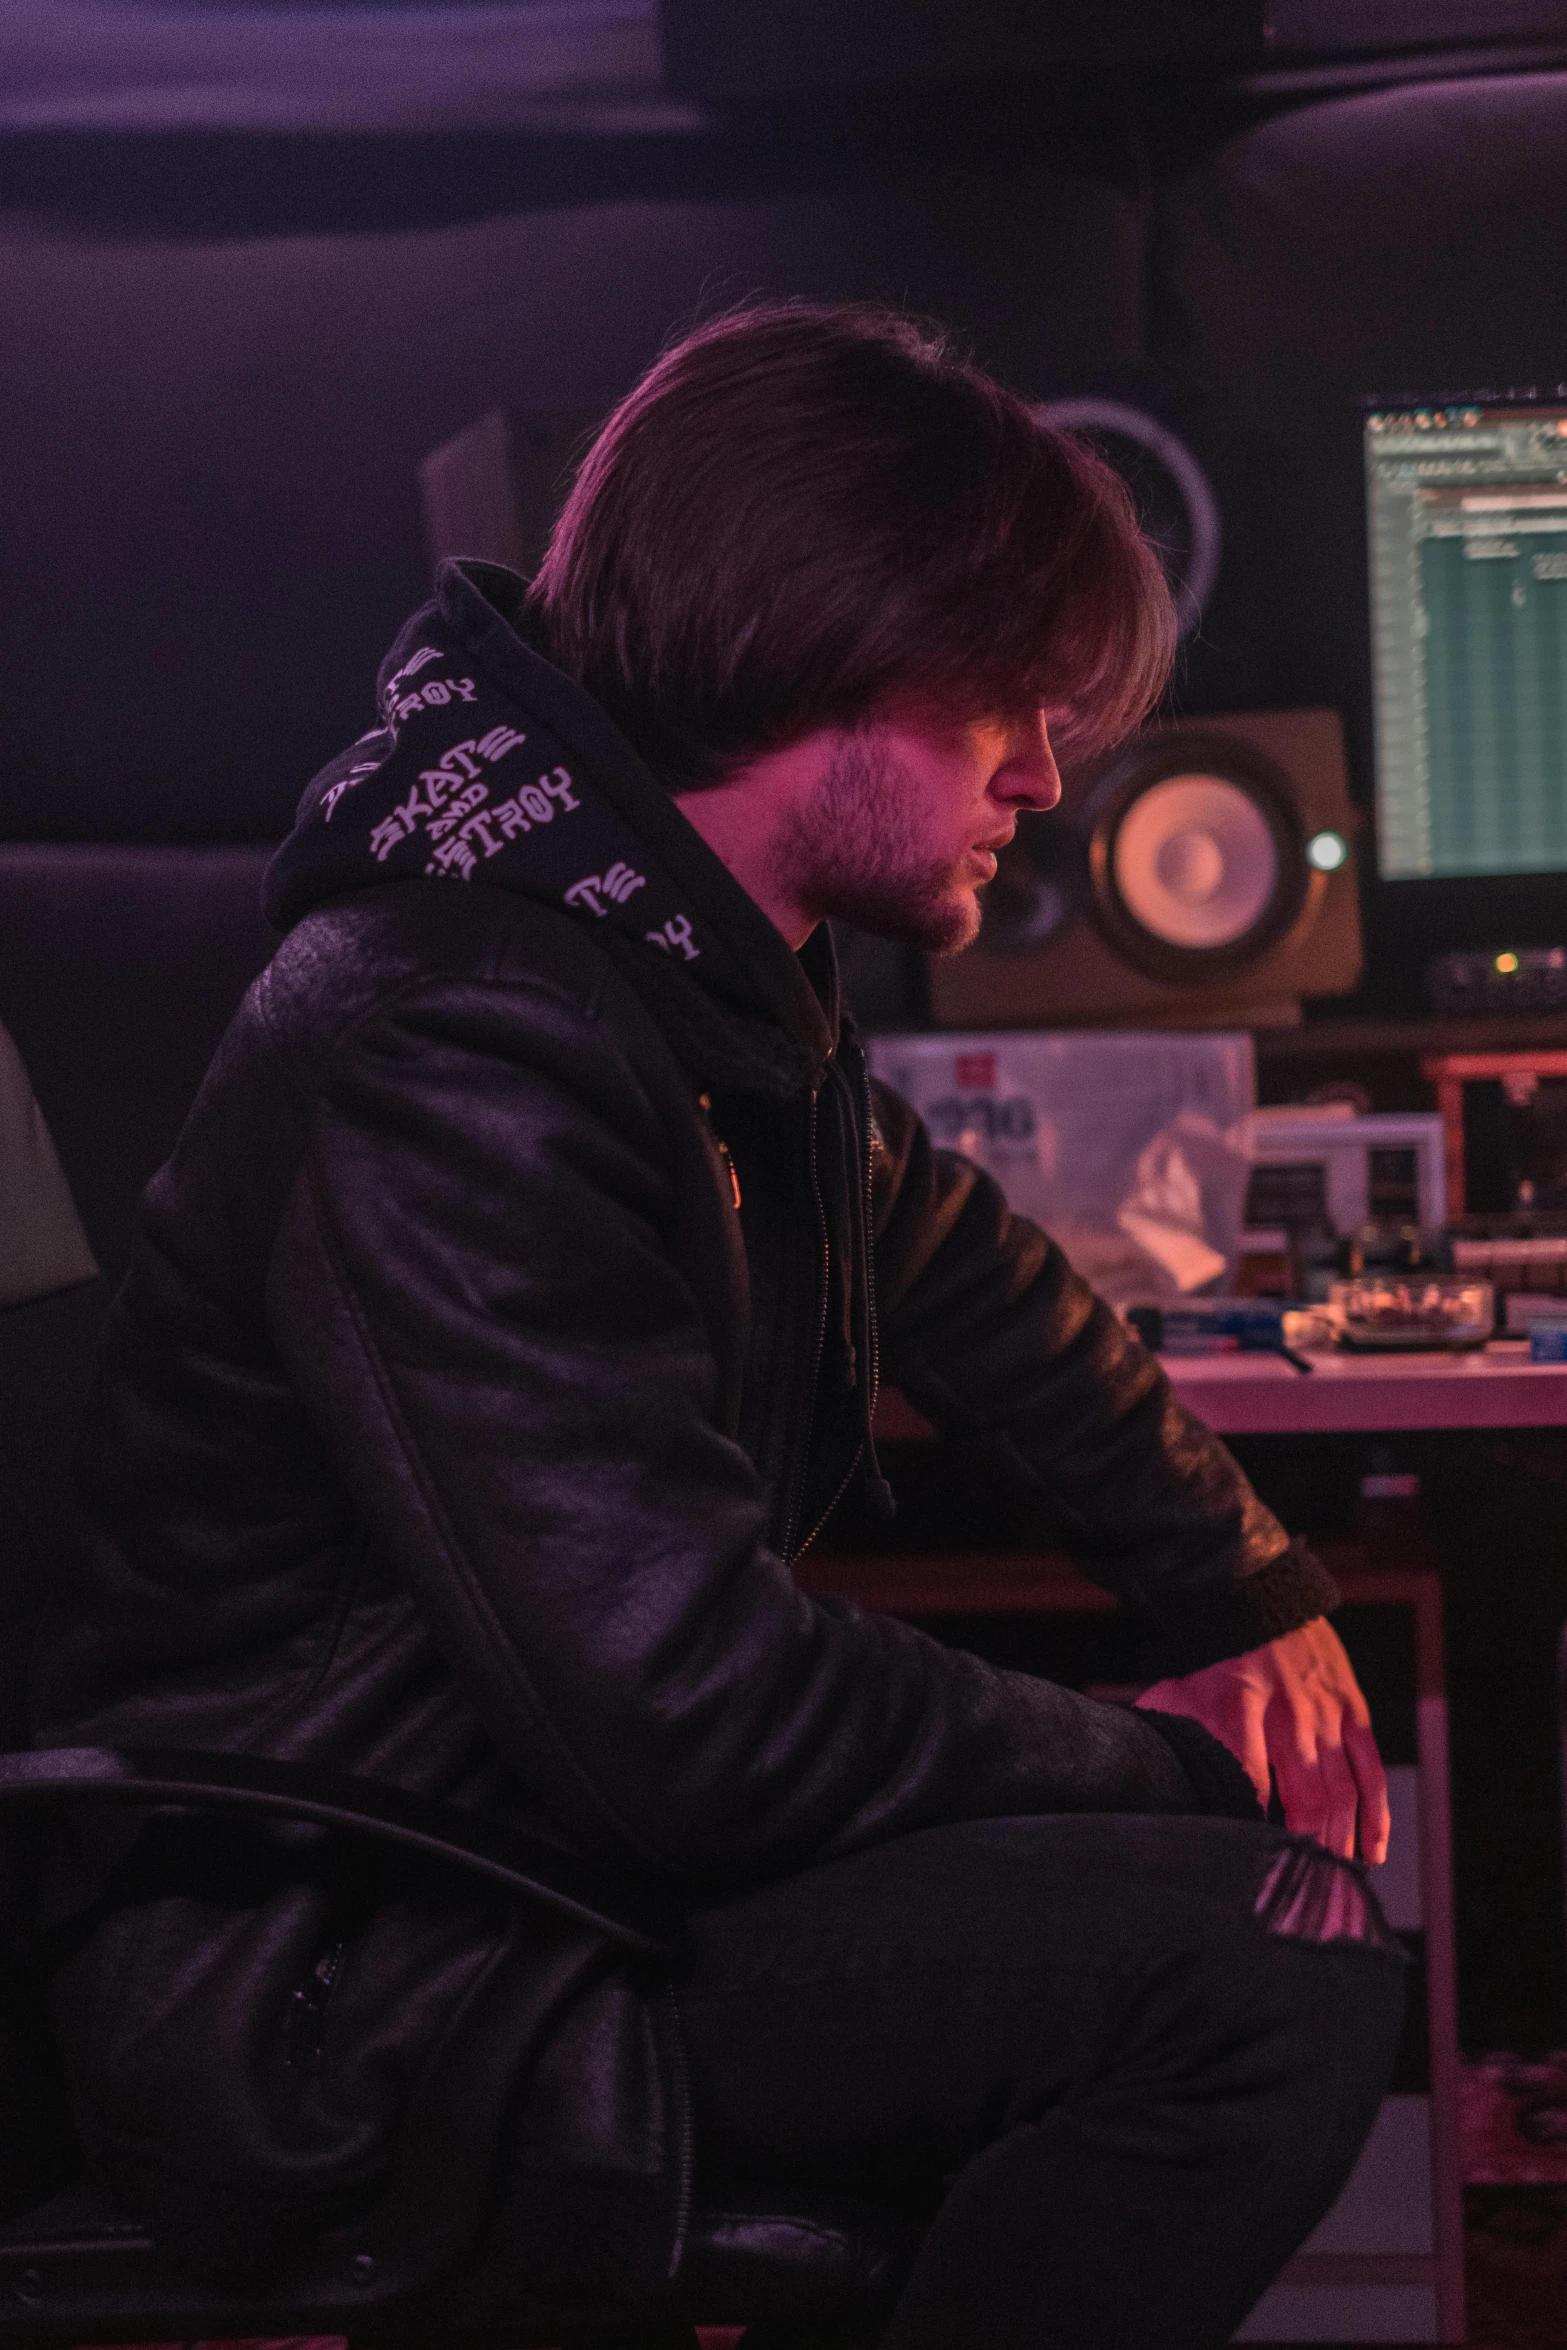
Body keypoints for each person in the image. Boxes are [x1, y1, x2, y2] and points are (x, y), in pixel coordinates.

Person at [32, 303, 1405, 2349]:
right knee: (1264, 1967)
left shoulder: (655, 953)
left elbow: (954, 1257)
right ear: (818, 646)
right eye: (999, 708)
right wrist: (1170, 1767)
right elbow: (696, 1716)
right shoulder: (456, 1034)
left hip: (510, 1858)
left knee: (1236, 1922)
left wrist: (1236, 1581)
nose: (1041, 772)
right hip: (351, 1971)